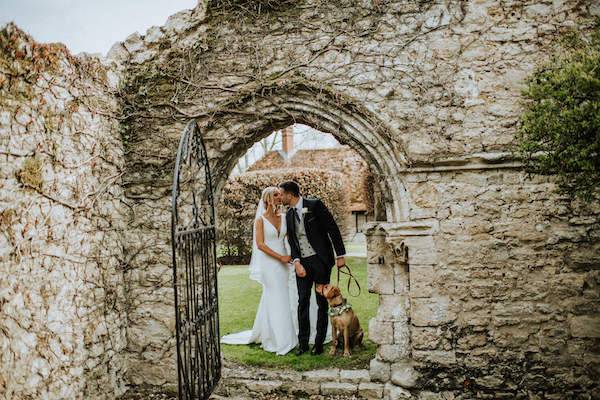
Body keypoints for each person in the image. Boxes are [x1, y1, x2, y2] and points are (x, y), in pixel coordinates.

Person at [220, 186, 329, 355]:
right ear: (268, 199)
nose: (280, 197)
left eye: (281, 194)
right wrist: (280, 257)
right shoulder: (260, 221)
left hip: (287, 262)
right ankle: (279, 338)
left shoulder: (285, 217)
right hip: (271, 264)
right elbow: (260, 245)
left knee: (292, 297)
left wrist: (295, 258)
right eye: (276, 195)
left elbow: (292, 239)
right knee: (276, 297)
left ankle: (301, 335)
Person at [279, 181, 346, 356]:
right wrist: (296, 262)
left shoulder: (315, 205)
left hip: (320, 261)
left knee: (321, 302)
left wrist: (340, 255)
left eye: (282, 194)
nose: (280, 197)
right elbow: (293, 242)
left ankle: (319, 343)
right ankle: (303, 343)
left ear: (290, 194)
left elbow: (332, 228)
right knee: (303, 302)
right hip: (302, 264)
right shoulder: (288, 215)